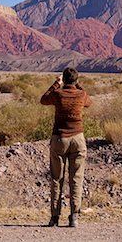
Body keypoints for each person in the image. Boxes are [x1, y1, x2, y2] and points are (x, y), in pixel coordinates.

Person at [40, 67, 92, 227]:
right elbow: (89, 102)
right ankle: (74, 217)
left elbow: (43, 99)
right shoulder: (81, 94)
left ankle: (55, 218)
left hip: (59, 138)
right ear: (76, 80)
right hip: (78, 139)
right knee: (76, 178)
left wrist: (56, 84)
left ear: (63, 79)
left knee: (57, 179)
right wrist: (79, 86)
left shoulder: (58, 94)